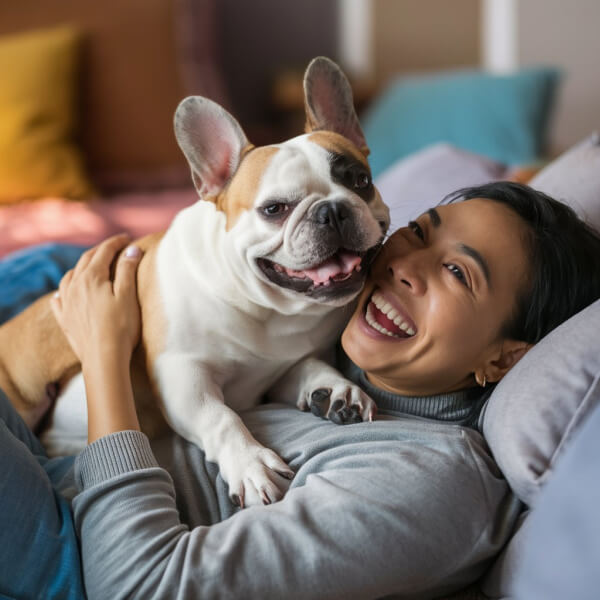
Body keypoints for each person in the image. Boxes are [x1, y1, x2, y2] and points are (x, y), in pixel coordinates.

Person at [2, 181, 600, 599]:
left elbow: (136, 586)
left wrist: (104, 350)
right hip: (51, 438)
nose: (401, 265)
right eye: (419, 232)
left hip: (71, 544)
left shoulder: (429, 479)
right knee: (57, 258)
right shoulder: (338, 318)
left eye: (456, 272)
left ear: (505, 358)